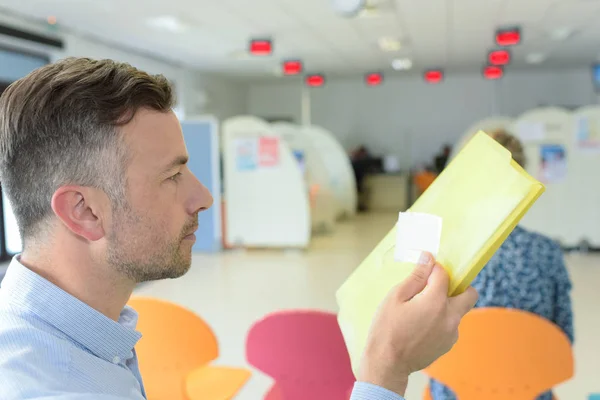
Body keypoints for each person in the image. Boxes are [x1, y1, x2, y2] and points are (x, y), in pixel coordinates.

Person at [0, 57, 478, 400]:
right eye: (172, 176)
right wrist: (386, 370)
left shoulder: (76, 333)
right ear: (83, 211)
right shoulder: (44, 385)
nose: (204, 197)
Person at [429, 130, 575, 400]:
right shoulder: (548, 252)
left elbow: (423, 342)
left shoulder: (444, 253)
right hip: (527, 391)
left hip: (457, 392)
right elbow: (564, 341)